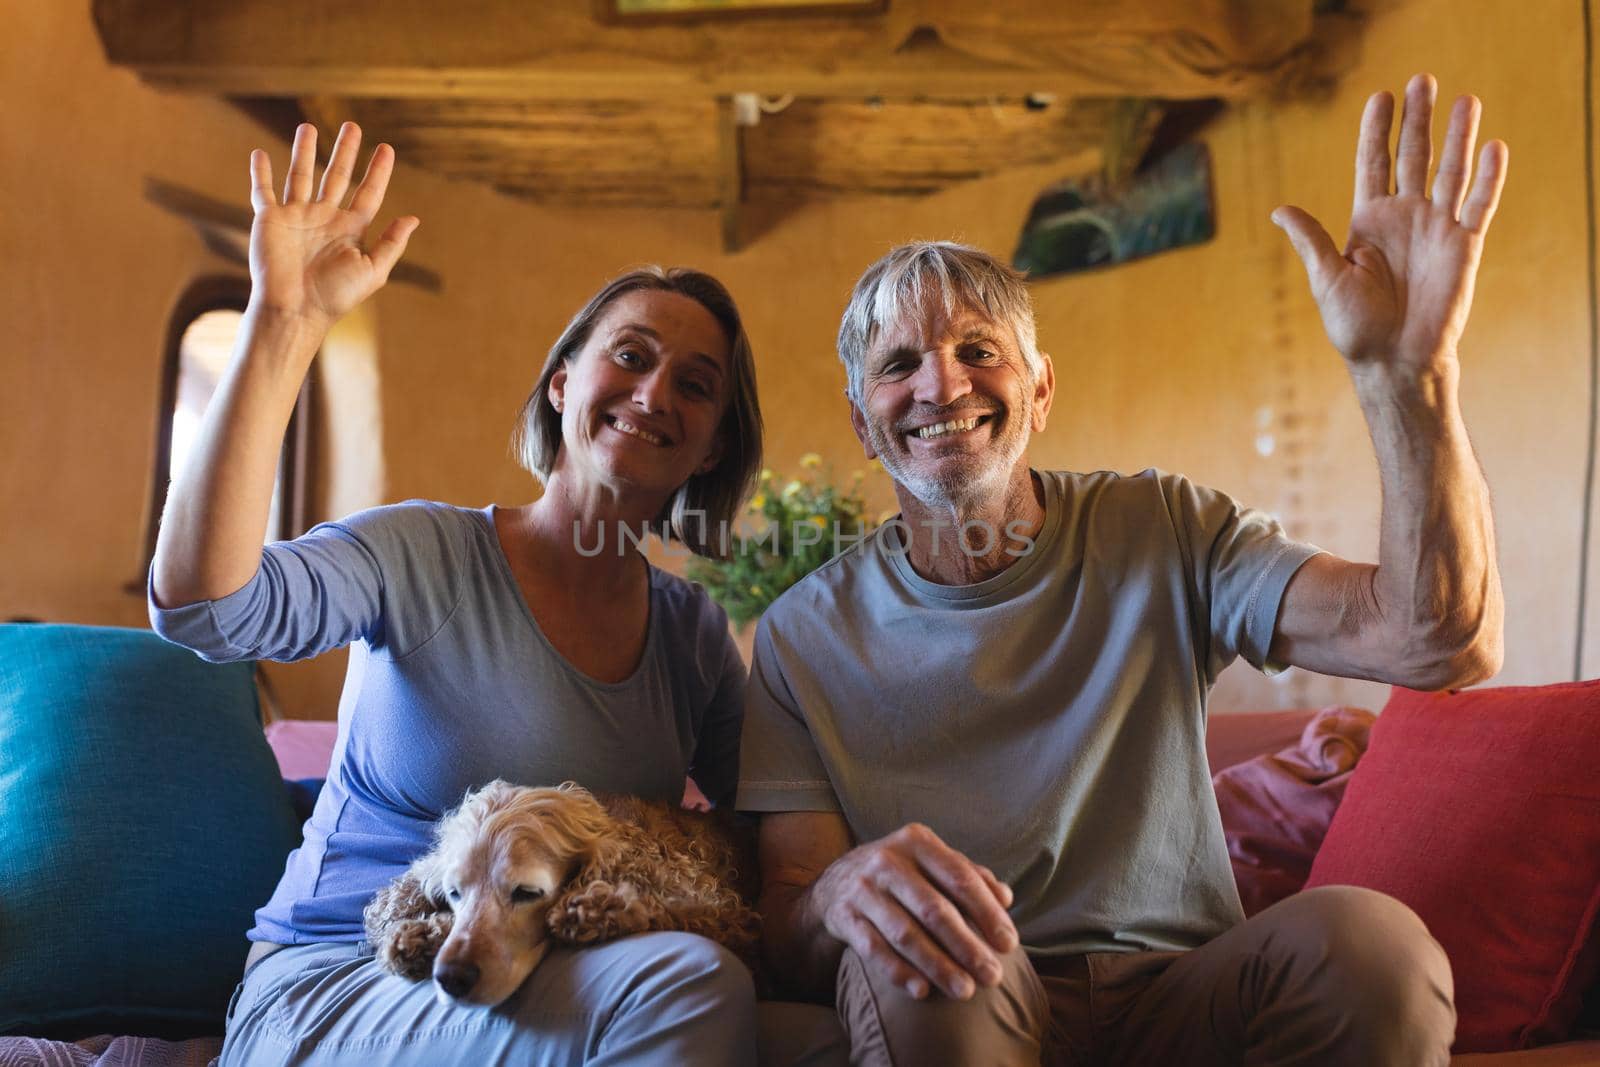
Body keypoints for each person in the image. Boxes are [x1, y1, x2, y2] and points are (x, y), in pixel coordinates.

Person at [737, 74, 1506, 1066]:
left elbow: (1437, 640)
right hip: (973, 994)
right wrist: (834, 895)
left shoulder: (1162, 526)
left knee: (1372, 949)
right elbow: (789, 919)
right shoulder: (802, 633)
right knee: (917, 961)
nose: (942, 384)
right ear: (860, 420)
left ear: (1040, 391)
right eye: (897, 364)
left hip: (1183, 992)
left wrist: (1408, 377)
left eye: (980, 348)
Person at [150, 120, 769, 1066]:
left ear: (713, 445)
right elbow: (205, 604)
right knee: (690, 987)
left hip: (552, 976)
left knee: (820, 1036)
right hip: (346, 977)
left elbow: (774, 822)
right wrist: (285, 319)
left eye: (695, 384)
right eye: (631, 357)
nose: (654, 395)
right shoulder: (423, 550)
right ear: (563, 385)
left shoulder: (689, 634)